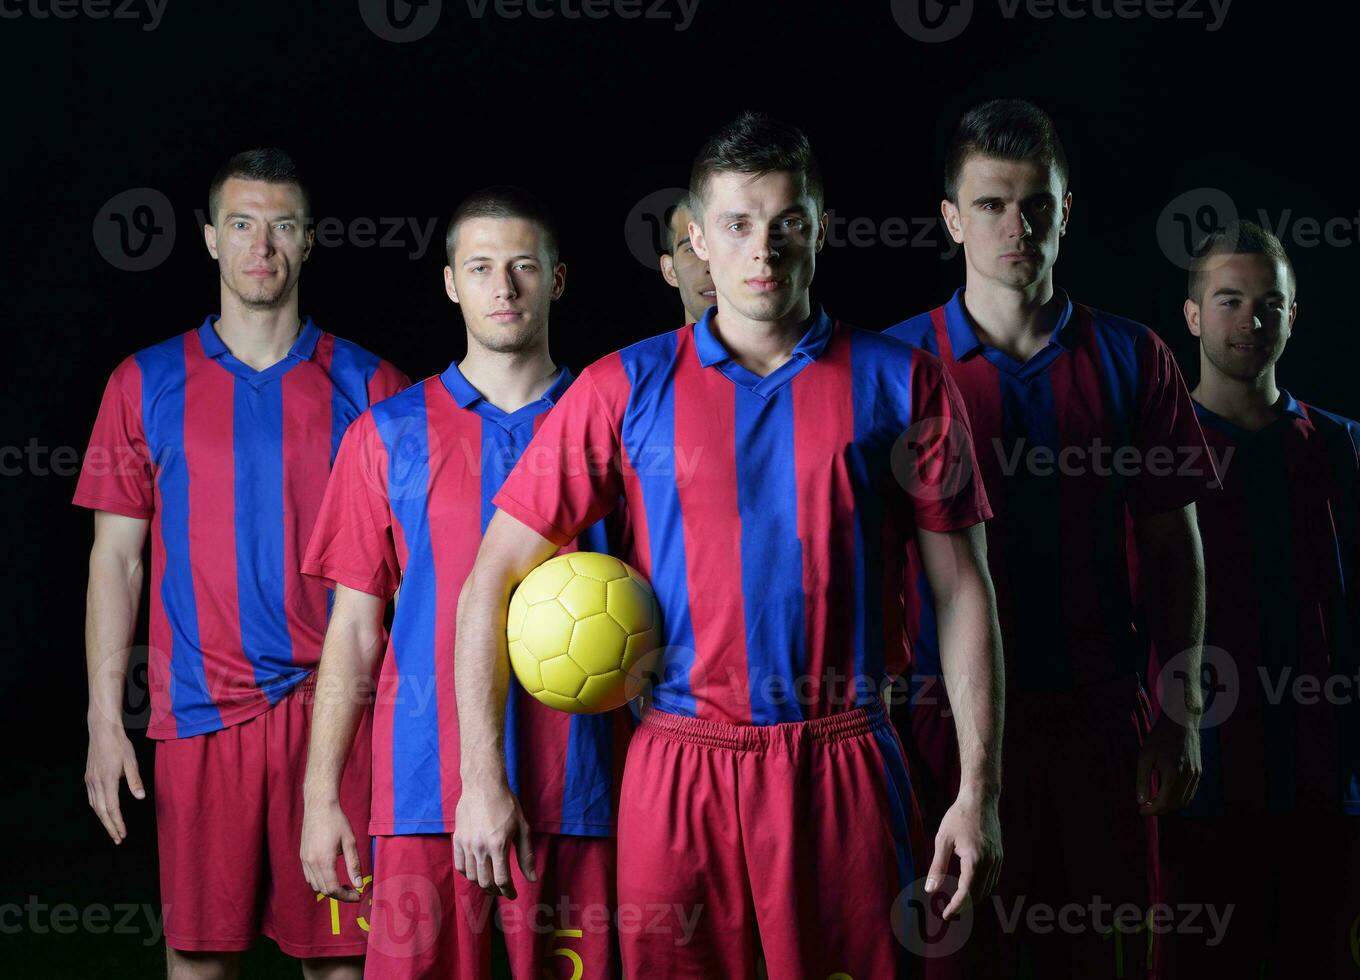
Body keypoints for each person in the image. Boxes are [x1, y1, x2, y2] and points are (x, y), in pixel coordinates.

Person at [453, 112, 1004, 979]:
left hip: (846, 759)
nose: (764, 249)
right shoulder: (620, 388)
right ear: (699, 241)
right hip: (682, 763)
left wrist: (977, 793)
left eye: (788, 223)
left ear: (820, 230)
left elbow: (962, 592)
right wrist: (481, 780)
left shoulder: (903, 380)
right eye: (739, 226)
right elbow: (488, 579)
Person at [885, 99, 1211, 978]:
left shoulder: (1135, 357)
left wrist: (1176, 716)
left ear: (1065, 211)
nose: (1015, 226)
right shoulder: (893, 367)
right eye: (989, 205)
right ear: (951, 219)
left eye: (1036, 204)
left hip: (1098, 716)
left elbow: (1174, 545)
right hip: (935, 728)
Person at [76, 147, 408, 979]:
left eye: (283, 225)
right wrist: (103, 718)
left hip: (337, 717)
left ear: (309, 240)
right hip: (198, 715)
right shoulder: (143, 381)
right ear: (211, 240)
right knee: (198, 962)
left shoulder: (371, 387)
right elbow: (116, 560)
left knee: (339, 962)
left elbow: (416, 576)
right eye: (242, 225)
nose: (262, 246)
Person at [299, 186, 629, 980]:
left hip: (581, 788)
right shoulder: (385, 433)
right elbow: (352, 630)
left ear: (557, 279)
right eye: (480, 267)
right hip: (422, 793)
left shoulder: (618, 424)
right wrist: (320, 798)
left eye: (523, 266)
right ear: (450, 283)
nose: (503, 287)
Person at [1154, 219, 1360, 978]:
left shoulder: (1346, 450)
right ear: (1191, 316)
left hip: (1324, 785)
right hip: (1195, 791)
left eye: (1268, 303)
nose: (1250, 319)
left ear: (1292, 315)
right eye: (1229, 300)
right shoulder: (1152, 453)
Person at [658, 194, 716, 324]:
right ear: (670, 270)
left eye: (722, 246)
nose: (711, 268)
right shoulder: (655, 346)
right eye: (692, 249)